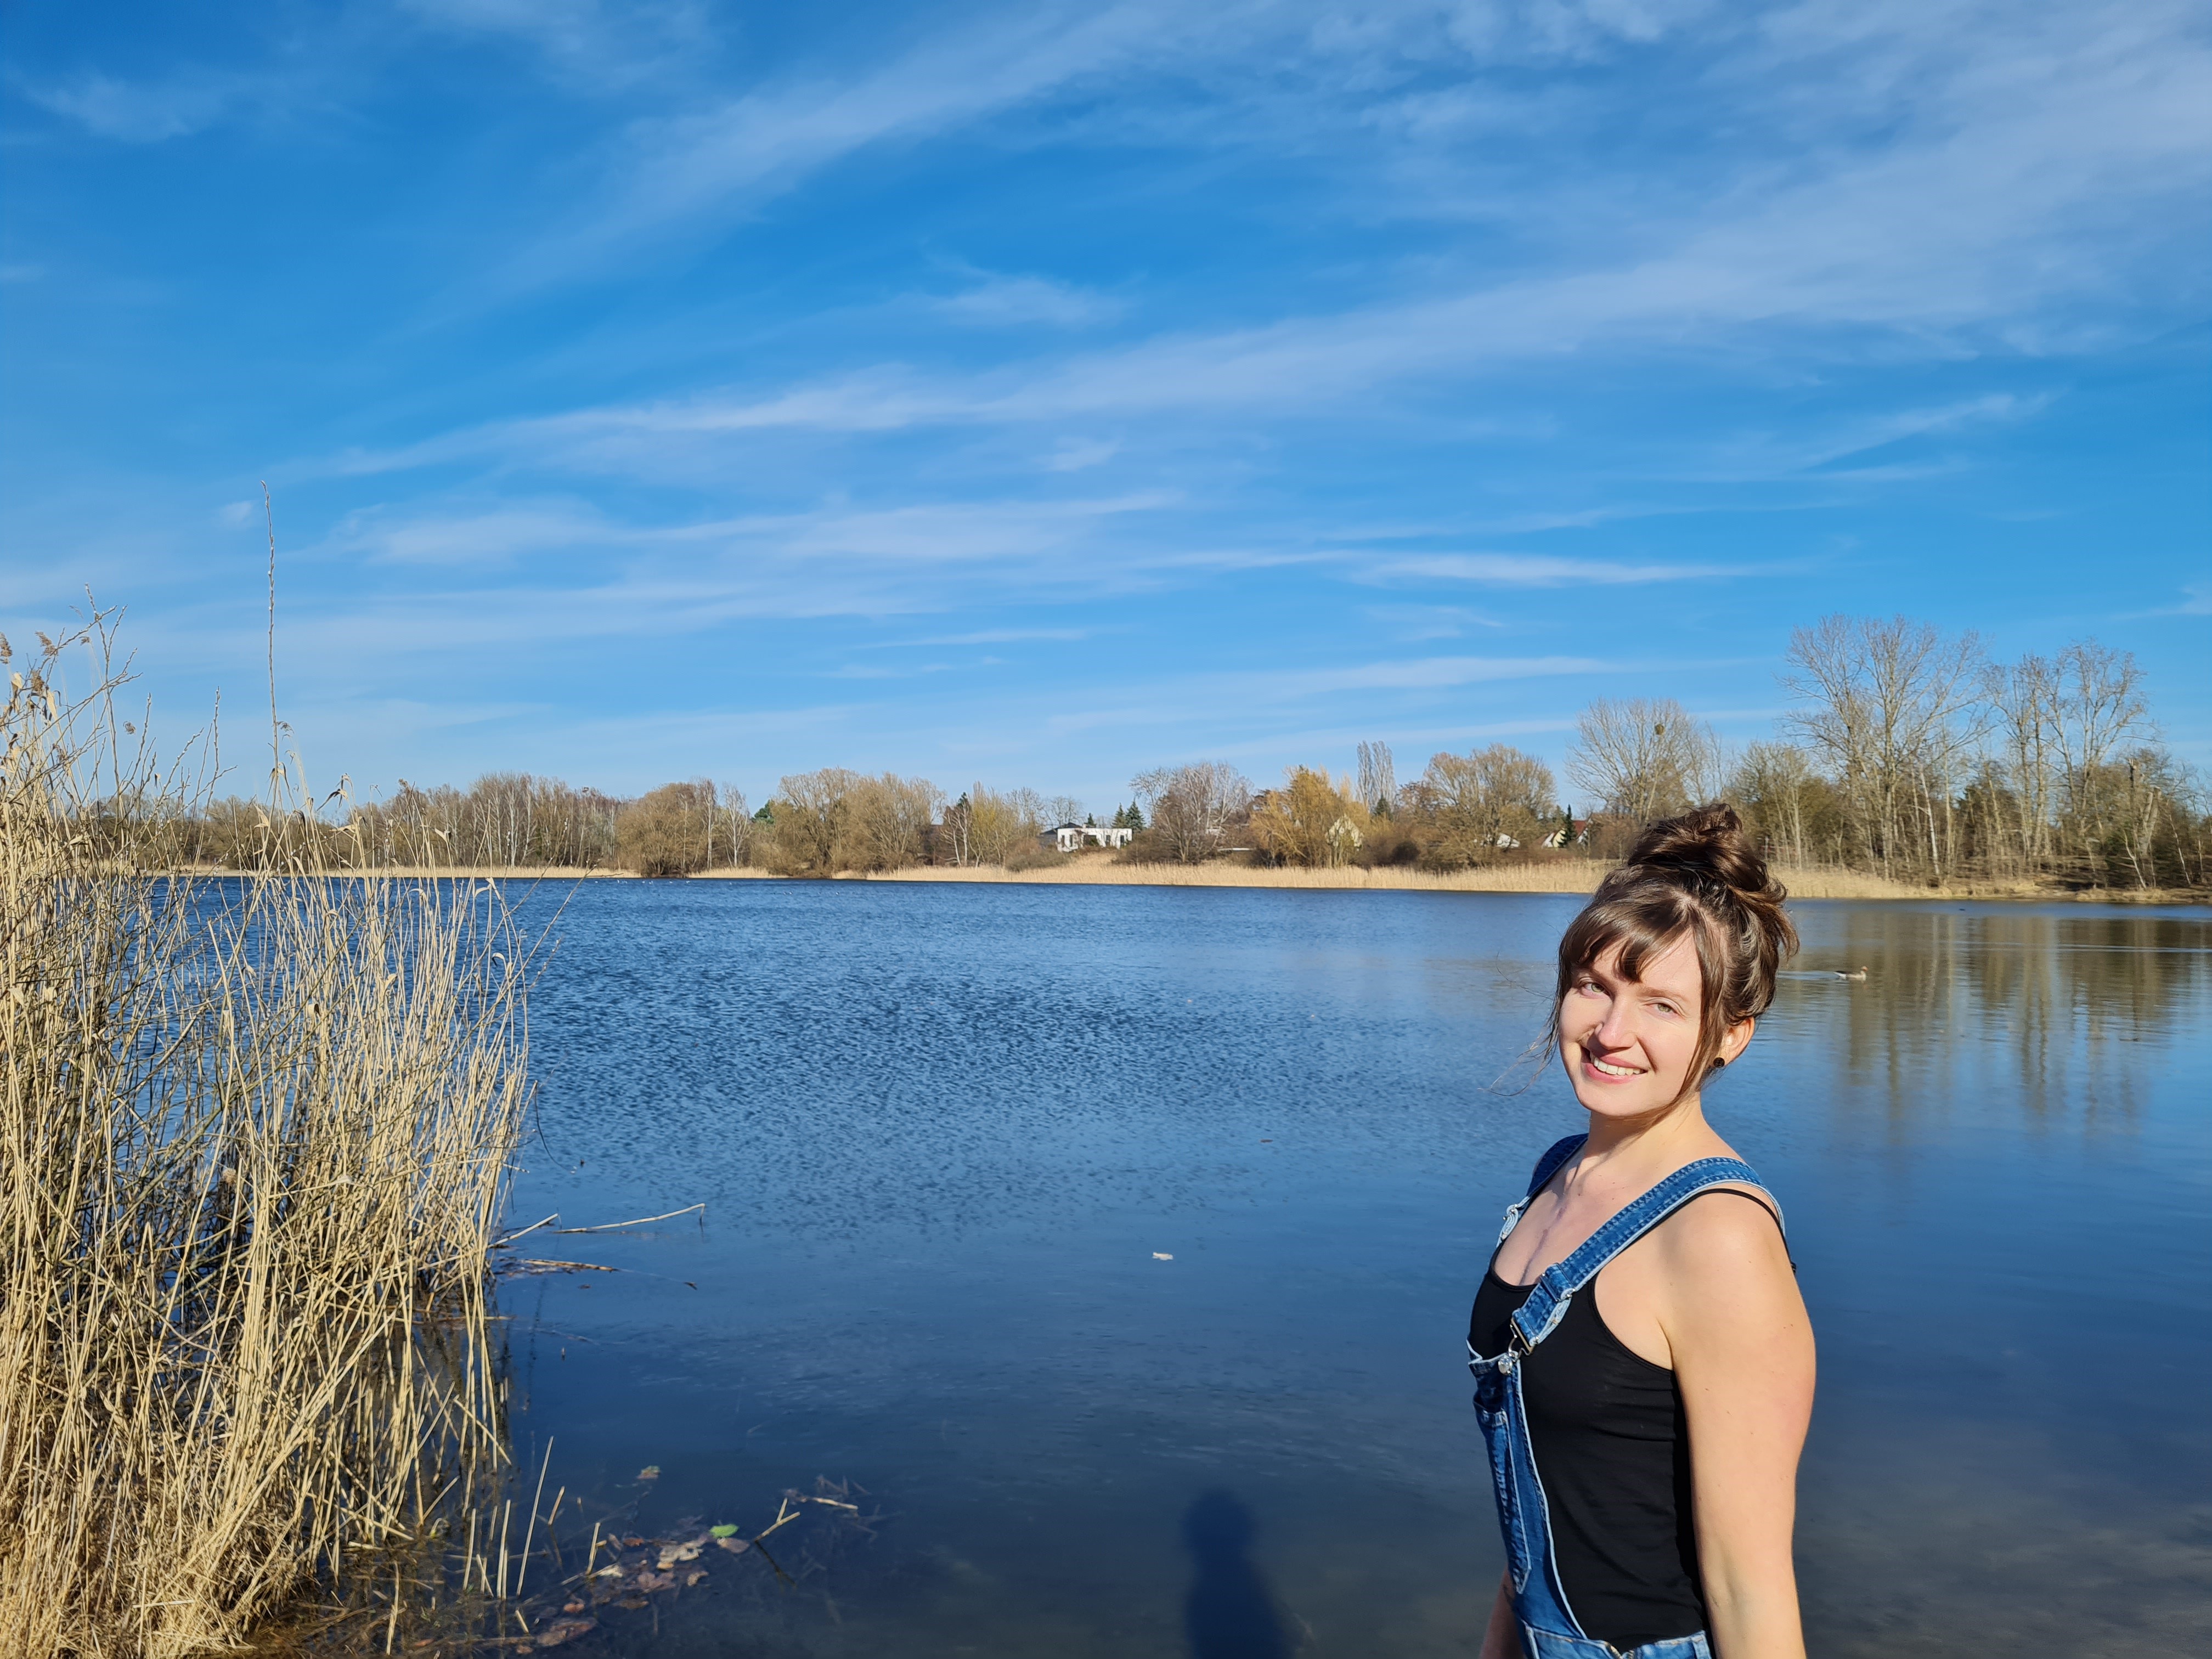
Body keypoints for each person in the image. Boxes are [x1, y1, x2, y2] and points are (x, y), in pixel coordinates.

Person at [1469, 803, 1815, 1659]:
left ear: (1731, 1035)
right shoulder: (1556, 1174)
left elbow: (1750, 1583)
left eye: (1661, 1004)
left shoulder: (1718, 1239)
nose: (1611, 1033)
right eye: (1594, 986)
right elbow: (1548, 1504)